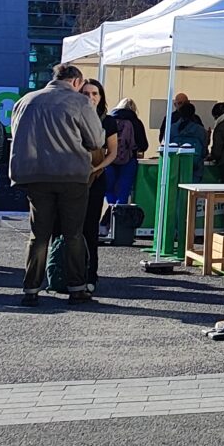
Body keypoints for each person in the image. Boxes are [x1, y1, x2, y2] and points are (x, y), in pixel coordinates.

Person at [8, 63, 105, 306]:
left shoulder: (26, 100)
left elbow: (16, 134)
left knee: (39, 235)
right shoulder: (79, 102)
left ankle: (31, 289)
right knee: (73, 234)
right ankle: (77, 288)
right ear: (75, 82)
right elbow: (95, 140)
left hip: (35, 175)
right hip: (71, 175)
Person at [77, 78, 121, 291]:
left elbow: (113, 151)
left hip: (96, 178)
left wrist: (98, 168)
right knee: (68, 226)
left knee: (89, 227)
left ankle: (90, 274)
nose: (90, 97)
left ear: (101, 97)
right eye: (86, 93)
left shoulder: (108, 121)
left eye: (95, 93)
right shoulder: (71, 116)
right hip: (72, 178)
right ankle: (67, 271)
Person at [105, 97, 147, 205]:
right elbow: (143, 145)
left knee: (108, 189)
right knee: (123, 191)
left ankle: (111, 211)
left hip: (109, 160)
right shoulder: (136, 122)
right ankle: (119, 215)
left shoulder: (110, 120)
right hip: (129, 160)